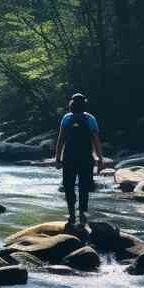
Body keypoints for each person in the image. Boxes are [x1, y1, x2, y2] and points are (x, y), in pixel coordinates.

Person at [54, 92, 103, 225]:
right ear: (85, 104)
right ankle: (82, 214)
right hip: (86, 158)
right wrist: (100, 159)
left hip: (69, 157)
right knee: (84, 187)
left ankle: (71, 214)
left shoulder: (66, 118)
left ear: (71, 104)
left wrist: (57, 158)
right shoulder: (90, 119)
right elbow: (96, 141)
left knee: (68, 186)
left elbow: (61, 140)